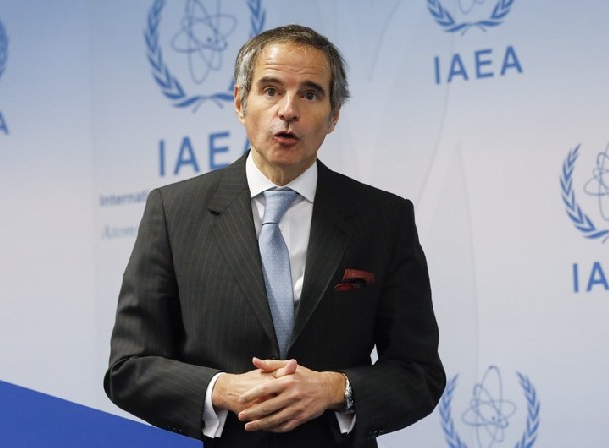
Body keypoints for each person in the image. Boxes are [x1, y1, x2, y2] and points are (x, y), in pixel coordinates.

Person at [104, 24, 445, 448]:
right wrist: (222, 390)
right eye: (270, 90)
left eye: (310, 94)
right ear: (240, 102)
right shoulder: (174, 212)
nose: (288, 110)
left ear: (334, 115)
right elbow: (129, 367)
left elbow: (419, 373)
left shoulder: (384, 218)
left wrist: (335, 389)